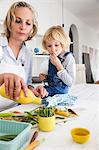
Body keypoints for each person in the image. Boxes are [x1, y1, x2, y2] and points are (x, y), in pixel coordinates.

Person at [0, 1, 48, 101]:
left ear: (32, 28)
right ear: (10, 23)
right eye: (18, 21)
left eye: (28, 23)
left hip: (15, 112)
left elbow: (27, 84)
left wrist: (33, 91)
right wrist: (2, 78)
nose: (23, 27)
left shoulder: (28, 54)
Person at [39, 25, 76, 96]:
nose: (53, 49)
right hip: (52, 89)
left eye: (56, 45)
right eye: (49, 46)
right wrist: (45, 77)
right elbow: (54, 79)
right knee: (38, 92)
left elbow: (70, 82)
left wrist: (58, 65)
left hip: (63, 92)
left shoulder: (68, 58)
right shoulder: (51, 57)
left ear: (62, 44)